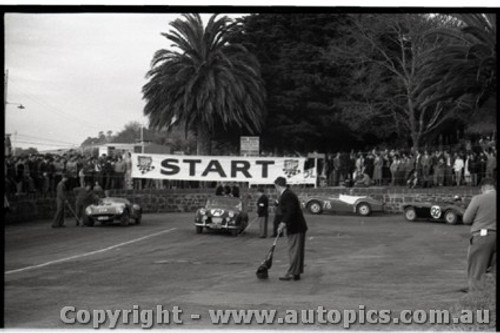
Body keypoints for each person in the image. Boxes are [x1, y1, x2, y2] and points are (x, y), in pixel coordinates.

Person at [462, 177, 496, 292]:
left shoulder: (478, 199)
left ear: (484, 187)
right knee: (493, 273)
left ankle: (476, 301)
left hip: (482, 237)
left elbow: (466, 219)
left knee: (477, 271)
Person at [274, 176, 308, 281]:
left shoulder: (287, 195)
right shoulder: (288, 194)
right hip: (297, 226)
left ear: (277, 185)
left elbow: (290, 211)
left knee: (294, 250)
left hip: (295, 226)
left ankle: (291, 272)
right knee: (296, 250)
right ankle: (296, 272)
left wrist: (283, 223)